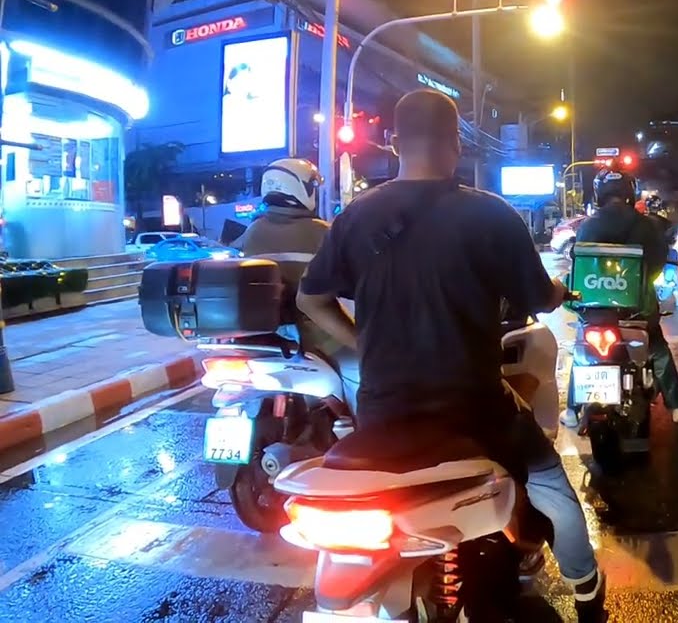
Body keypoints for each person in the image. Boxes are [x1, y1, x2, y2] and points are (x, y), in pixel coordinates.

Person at [296, 89, 606, 622]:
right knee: (551, 480)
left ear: (394, 144)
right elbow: (539, 298)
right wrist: (558, 288)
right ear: (456, 145)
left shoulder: (354, 218)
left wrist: (360, 342)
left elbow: (310, 299)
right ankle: (587, 591)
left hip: (382, 412)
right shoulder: (489, 215)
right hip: (472, 408)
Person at [563, 169, 678, 426]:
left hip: (595, 308)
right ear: (628, 192)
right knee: (656, 347)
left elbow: (578, 263)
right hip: (637, 309)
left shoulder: (588, 225)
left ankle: (570, 410)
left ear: (598, 194)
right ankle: (676, 405)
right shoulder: (645, 224)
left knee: (582, 350)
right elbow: (656, 262)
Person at [230, 158, 360, 409]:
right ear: (301, 188)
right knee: (366, 368)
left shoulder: (252, 232)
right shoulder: (322, 232)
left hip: (262, 338)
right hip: (318, 338)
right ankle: (360, 437)